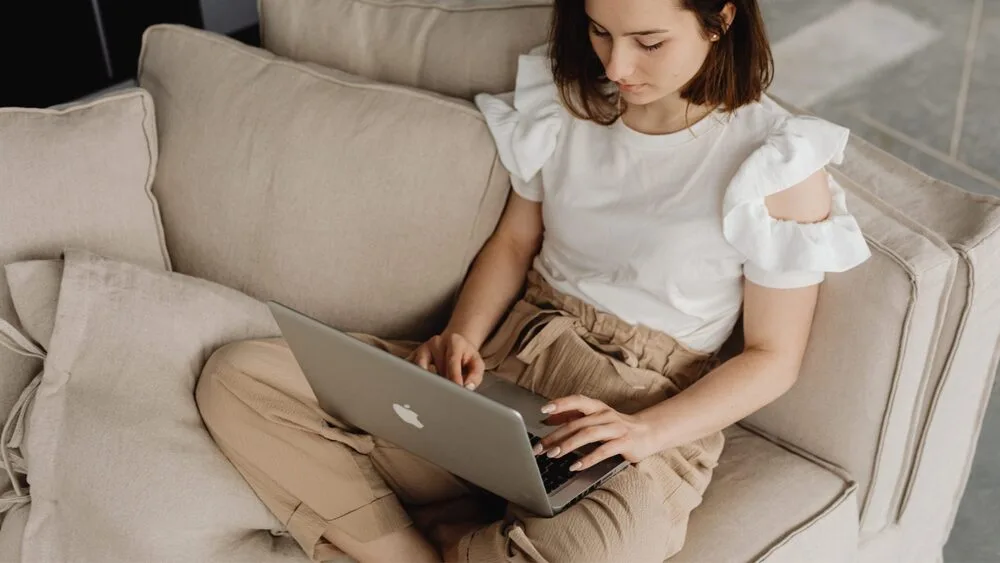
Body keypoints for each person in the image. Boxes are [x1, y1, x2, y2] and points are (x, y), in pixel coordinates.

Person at [195, 0, 872, 561]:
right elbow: (516, 242)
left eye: (649, 41)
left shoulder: (774, 162)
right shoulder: (568, 105)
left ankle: (460, 531)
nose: (616, 64)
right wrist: (461, 334)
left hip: (636, 413)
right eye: (600, 30)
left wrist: (643, 434)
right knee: (240, 377)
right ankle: (422, 550)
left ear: (721, 18)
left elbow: (772, 358)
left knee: (604, 547)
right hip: (510, 365)